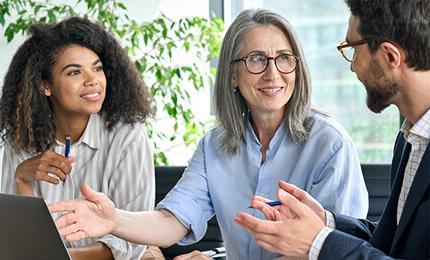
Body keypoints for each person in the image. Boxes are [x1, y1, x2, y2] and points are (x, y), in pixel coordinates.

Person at [49, 9, 369, 259]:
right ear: (232, 74)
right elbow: (173, 221)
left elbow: (331, 250)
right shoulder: (215, 145)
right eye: (256, 59)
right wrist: (113, 220)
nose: (273, 73)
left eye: (284, 58)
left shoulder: (331, 145)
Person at [235, 0, 430, 259]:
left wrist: (318, 243)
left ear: (389, 56)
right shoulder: (410, 140)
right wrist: (326, 222)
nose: (352, 66)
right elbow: (392, 243)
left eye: (353, 49)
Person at [0, 17, 155, 260]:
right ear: (45, 85)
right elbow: (19, 242)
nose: (92, 80)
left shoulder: (127, 137)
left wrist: (64, 257)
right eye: (74, 72)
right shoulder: (23, 135)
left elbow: (133, 241)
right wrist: (22, 178)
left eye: (97, 68)